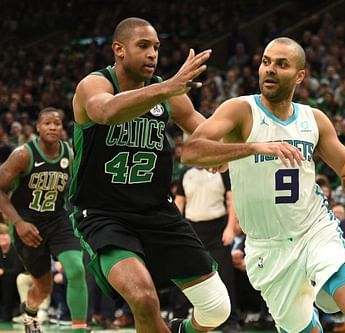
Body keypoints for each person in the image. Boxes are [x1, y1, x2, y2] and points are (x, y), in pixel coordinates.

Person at [181, 37, 345, 333]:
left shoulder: (314, 120)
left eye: (281, 64)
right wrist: (254, 147)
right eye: (266, 62)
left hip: (314, 231)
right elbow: (192, 151)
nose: (270, 69)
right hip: (268, 249)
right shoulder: (241, 110)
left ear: (299, 76)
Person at [69, 17, 230, 333]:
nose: (153, 54)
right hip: (104, 214)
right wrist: (167, 86)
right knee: (143, 299)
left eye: (156, 47)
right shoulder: (95, 85)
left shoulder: (168, 95)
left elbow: (204, 131)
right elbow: (106, 111)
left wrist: (224, 152)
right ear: (119, 49)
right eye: (143, 46)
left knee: (216, 309)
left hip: (158, 211)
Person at [0, 108, 89, 333]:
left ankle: (80, 329)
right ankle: (30, 312)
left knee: (75, 269)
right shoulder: (23, 154)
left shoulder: (69, 154)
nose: (53, 127)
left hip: (58, 220)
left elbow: (75, 189)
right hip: (28, 224)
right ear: (38, 128)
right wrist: (18, 223)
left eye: (57, 123)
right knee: (43, 287)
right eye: (47, 123)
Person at [174, 168, 241, 332]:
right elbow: (179, 202)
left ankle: (231, 321)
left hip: (218, 228)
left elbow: (232, 201)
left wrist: (231, 228)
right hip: (191, 229)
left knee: (225, 275)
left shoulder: (221, 170)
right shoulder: (185, 173)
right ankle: (178, 315)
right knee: (185, 274)